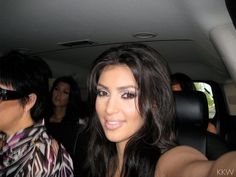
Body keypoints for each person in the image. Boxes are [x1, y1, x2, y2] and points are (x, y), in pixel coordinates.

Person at [85, 43, 236, 177]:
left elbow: (214, 171)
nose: (109, 109)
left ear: (154, 103)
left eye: (127, 95)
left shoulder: (166, 161)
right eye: (103, 93)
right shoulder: (106, 161)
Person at [0, 51, 74, 176]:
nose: (59, 94)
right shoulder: (6, 142)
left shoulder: (43, 158)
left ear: (29, 101)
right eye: (56, 89)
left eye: (0, 94)